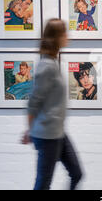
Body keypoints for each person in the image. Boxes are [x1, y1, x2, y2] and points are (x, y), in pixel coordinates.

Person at [21, 19, 83, 190]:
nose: (67, 37)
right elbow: (33, 103)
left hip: (58, 132)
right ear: (56, 37)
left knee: (77, 174)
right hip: (48, 136)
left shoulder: (53, 63)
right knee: (43, 184)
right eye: (64, 33)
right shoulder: (46, 66)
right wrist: (30, 130)